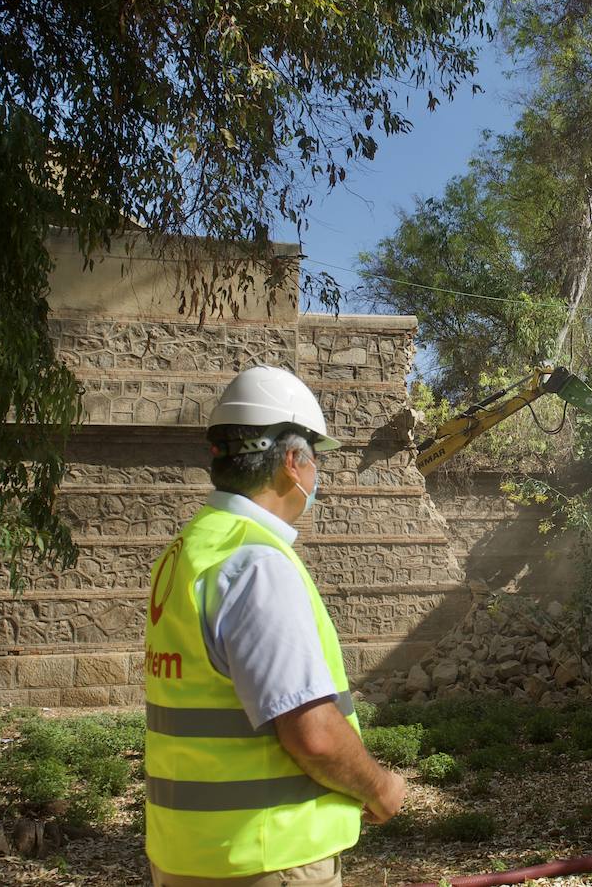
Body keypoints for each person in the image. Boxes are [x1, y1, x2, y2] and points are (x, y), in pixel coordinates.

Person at [143, 365, 406, 887]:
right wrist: (379, 787)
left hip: (190, 854)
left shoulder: (190, 552)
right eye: (316, 460)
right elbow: (313, 734)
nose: (316, 478)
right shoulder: (257, 564)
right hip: (269, 857)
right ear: (292, 462)